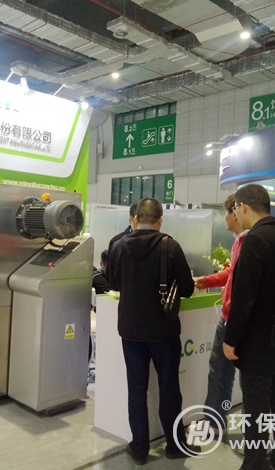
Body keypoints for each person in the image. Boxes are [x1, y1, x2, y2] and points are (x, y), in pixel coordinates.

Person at [107, 198, 195, 465]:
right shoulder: (170, 246)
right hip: (163, 330)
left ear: (136, 219)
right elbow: (188, 289)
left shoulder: (118, 246)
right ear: (160, 220)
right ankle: (175, 445)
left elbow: (113, 282)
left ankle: (139, 448)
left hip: (130, 330)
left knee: (136, 390)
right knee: (169, 387)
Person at [223, 184, 275, 470]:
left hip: (258, 341)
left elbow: (244, 299)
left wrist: (231, 338)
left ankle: (254, 464)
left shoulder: (255, 240)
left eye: (236, 208)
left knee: (256, 407)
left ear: (243, 207)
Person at [194, 194, 248, 431]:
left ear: (236, 213)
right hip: (230, 318)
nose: (225, 217)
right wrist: (205, 281)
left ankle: (250, 431)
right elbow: (231, 273)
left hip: (236, 320)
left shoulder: (251, 243)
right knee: (220, 373)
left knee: (231, 375)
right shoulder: (238, 241)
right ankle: (215, 421)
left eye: (226, 212)